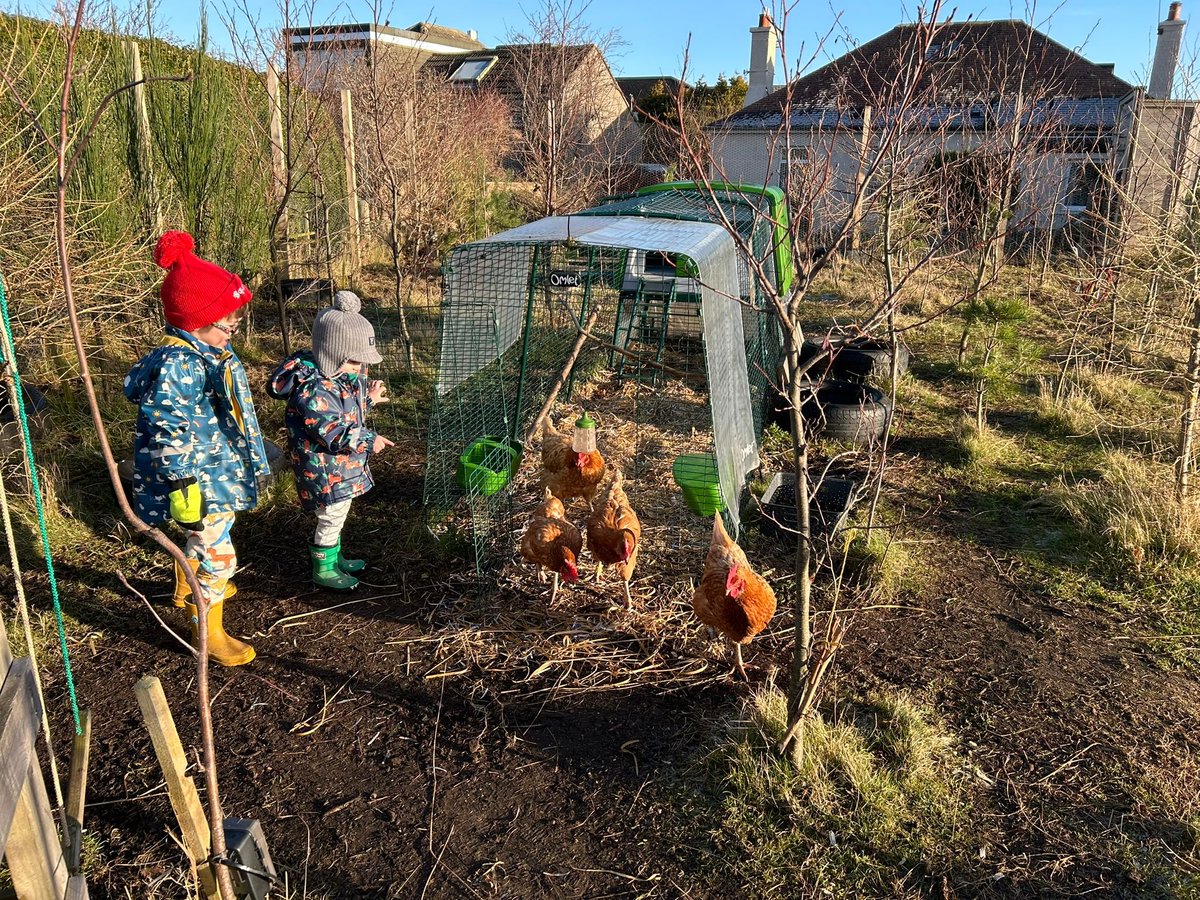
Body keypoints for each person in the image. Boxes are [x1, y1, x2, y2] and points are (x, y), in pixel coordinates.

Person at [124, 231, 269, 667]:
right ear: (196, 321)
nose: (234, 328)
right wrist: (182, 482)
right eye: (228, 321)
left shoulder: (203, 353)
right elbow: (167, 425)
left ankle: (187, 586)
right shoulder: (181, 363)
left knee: (205, 540)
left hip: (213, 470)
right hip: (199, 478)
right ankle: (207, 629)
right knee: (221, 557)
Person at [267, 291, 393, 591]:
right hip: (324, 470)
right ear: (332, 353)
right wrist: (368, 438)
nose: (360, 368)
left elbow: (345, 411)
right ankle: (323, 568)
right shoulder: (314, 389)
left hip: (338, 467)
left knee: (338, 515)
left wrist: (369, 400)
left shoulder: (335, 377)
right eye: (354, 361)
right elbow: (332, 430)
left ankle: (334, 559)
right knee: (331, 517)